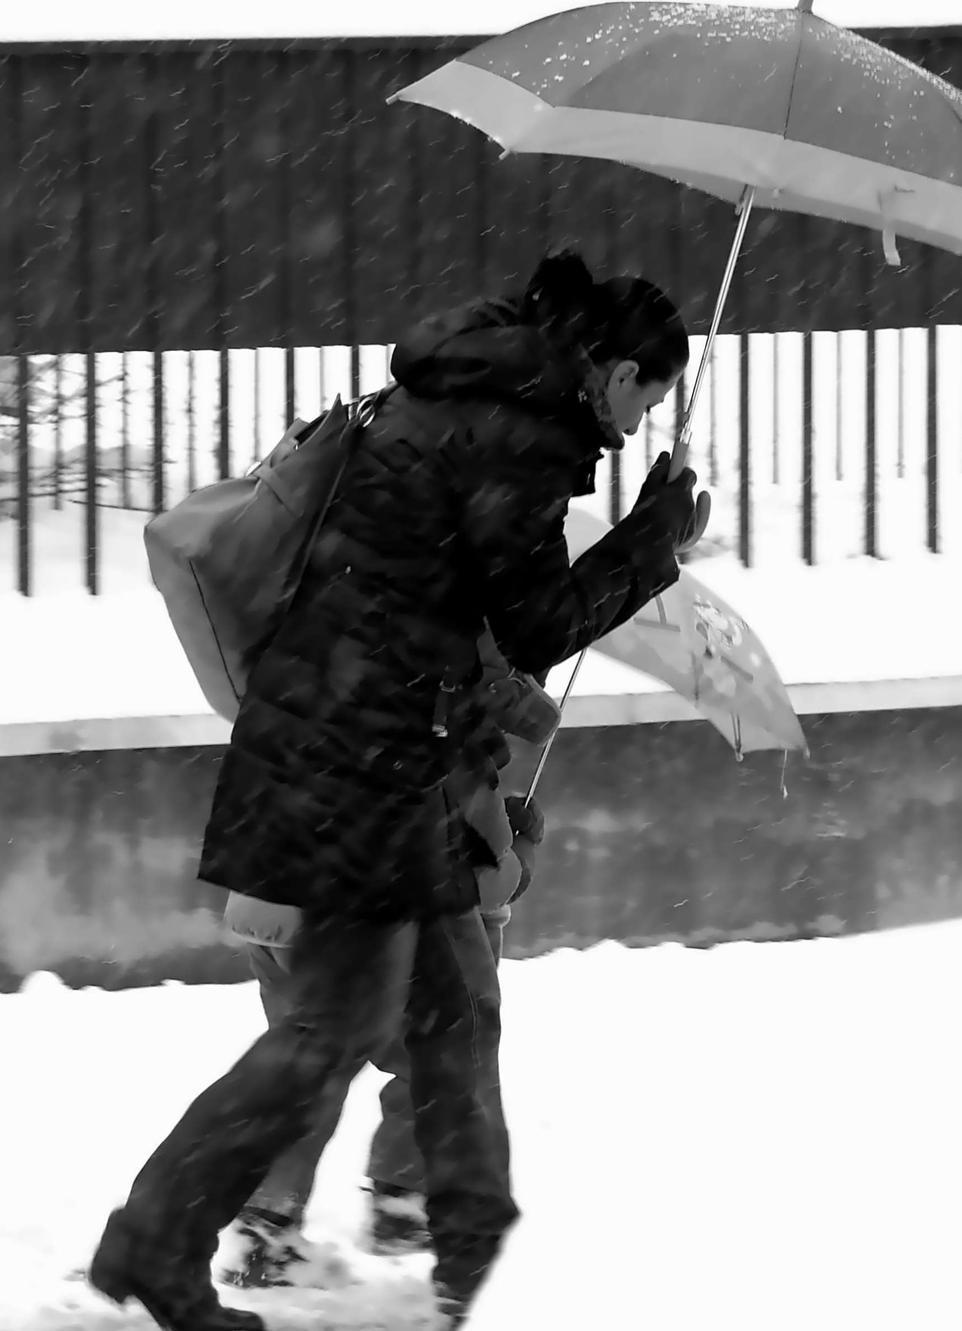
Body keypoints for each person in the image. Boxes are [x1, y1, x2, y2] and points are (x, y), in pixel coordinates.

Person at [87, 249, 706, 1331]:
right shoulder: (523, 431)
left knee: (457, 1008)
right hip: (364, 761)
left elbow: (431, 601)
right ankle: (156, 1237)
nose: (642, 418)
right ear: (608, 366)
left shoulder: (459, 397)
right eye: (646, 391)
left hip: (372, 743)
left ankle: (480, 1264)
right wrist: (651, 540)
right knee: (331, 1028)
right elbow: (533, 623)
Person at [213, 636, 559, 1290]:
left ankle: (267, 1219)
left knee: (305, 1067)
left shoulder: (335, 668)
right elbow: (476, 888)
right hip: (352, 921)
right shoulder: (451, 747)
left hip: (270, 900)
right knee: (439, 1055)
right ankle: (401, 1200)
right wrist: (521, 840)